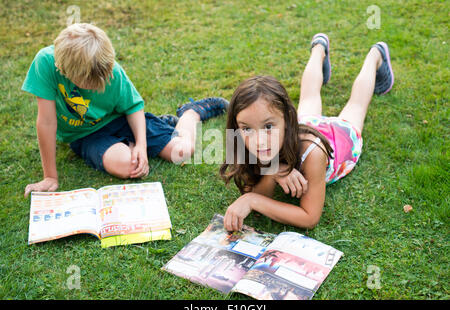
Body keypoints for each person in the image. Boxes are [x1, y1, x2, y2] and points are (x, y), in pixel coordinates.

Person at [22, 23, 228, 197]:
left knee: (181, 152)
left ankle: (192, 112)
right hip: (86, 134)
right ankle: (161, 125)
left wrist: (141, 144)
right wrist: (50, 176)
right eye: (91, 82)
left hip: (121, 118)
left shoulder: (110, 70)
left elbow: (133, 106)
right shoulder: (46, 63)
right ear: (66, 71)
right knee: (129, 167)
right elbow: (47, 122)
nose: (99, 85)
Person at [220, 33, 394, 231]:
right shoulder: (252, 142)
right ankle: (319, 48)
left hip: (339, 139)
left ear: (287, 119)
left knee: (356, 106)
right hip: (303, 126)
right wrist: (273, 170)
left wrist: (251, 200)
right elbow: (264, 193)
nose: (259, 140)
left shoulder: (313, 153)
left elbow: (309, 217)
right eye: (247, 128)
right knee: (309, 97)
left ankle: (375, 56)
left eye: (268, 126)